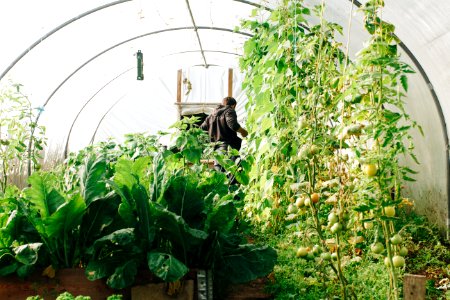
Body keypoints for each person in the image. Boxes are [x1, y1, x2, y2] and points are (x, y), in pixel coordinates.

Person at [200, 97, 248, 180]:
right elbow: (233, 124)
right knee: (234, 178)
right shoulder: (229, 110)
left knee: (222, 180)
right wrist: (243, 132)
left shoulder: (211, 116)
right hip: (228, 150)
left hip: (217, 152)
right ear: (233, 105)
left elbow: (201, 129)